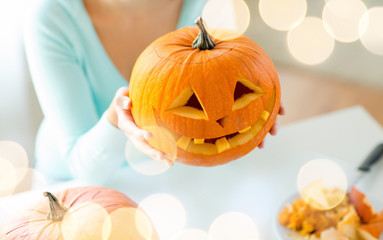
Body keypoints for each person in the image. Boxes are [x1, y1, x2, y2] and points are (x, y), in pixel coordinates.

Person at [24, 0, 285, 185]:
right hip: (77, 182)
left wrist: (255, 101)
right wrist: (119, 120)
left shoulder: (212, 4)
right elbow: (84, 169)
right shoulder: (50, 17)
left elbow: (230, 77)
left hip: (178, 173)